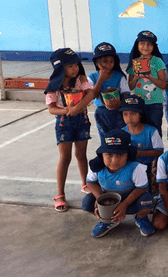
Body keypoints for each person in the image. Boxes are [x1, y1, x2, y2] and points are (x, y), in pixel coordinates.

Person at [44, 48, 95, 212]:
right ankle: (60, 194)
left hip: (82, 120)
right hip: (64, 124)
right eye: (70, 66)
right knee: (65, 158)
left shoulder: (81, 79)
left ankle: (85, 183)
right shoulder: (55, 85)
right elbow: (51, 108)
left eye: (76, 65)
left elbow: (91, 94)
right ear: (60, 68)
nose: (75, 69)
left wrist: (77, 108)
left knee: (81, 155)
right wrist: (66, 111)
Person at [82, 129, 155, 238]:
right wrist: (100, 199)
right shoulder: (96, 166)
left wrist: (124, 205)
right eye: (109, 155)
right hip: (108, 201)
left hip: (130, 201)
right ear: (101, 155)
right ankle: (107, 220)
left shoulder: (135, 168)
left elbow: (142, 188)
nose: (114, 160)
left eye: (120, 155)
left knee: (147, 200)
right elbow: (90, 182)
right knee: (87, 202)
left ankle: (141, 218)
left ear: (128, 154)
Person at [126, 30, 167, 136]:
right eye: (142, 43)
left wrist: (149, 76)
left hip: (155, 104)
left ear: (154, 47)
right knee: (139, 131)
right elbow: (130, 87)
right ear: (137, 45)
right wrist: (135, 77)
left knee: (155, 130)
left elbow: (163, 85)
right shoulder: (134, 62)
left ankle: (157, 152)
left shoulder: (157, 61)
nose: (145, 46)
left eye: (149, 44)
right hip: (138, 104)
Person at [88, 42, 130, 142]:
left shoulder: (119, 76)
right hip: (101, 112)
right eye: (104, 61)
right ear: (97, 63)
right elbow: (91, 95)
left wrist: (119, 103)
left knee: (121, 137)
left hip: (118, 111)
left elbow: (126, 93)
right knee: (105, 139)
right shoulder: (92, 77)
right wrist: (100, 79)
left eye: (111, 61)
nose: (108, 64)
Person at [119, 95, 163, 190]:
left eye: (133, 114)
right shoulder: (122, 132)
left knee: (145, 193)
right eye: (125, 114)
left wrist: (140, 153)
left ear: (141, 114)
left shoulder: (151, 131)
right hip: (127, 167)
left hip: (146, 167)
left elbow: (159, 151)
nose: (129, 118)